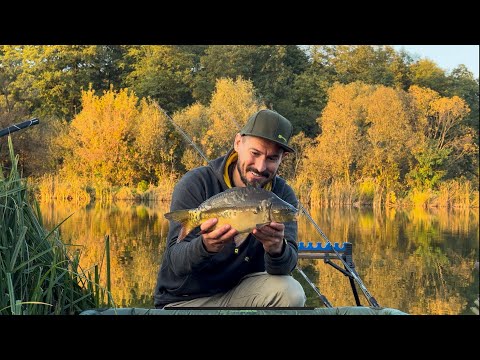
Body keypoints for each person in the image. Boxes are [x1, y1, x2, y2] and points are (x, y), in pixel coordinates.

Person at [153, 109, 306, 308]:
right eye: (255, 153)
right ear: (238, 143)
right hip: (186, 300)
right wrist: (204, 246)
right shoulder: (196, 183)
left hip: (243, 295)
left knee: (291, 292)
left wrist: (277, 250)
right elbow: (176, 262)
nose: (260, 167)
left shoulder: (281, 196)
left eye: (271, 159)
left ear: (281, 159)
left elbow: (286, 267)